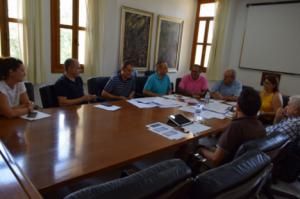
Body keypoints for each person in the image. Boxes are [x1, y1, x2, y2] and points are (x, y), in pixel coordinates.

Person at [197, 87, 266, 166]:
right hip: (246, 167)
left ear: (238, 106)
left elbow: (215, 159)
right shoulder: (260, 125)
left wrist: (200, 149)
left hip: (224, 167)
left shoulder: (236, 127)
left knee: (193, 146)